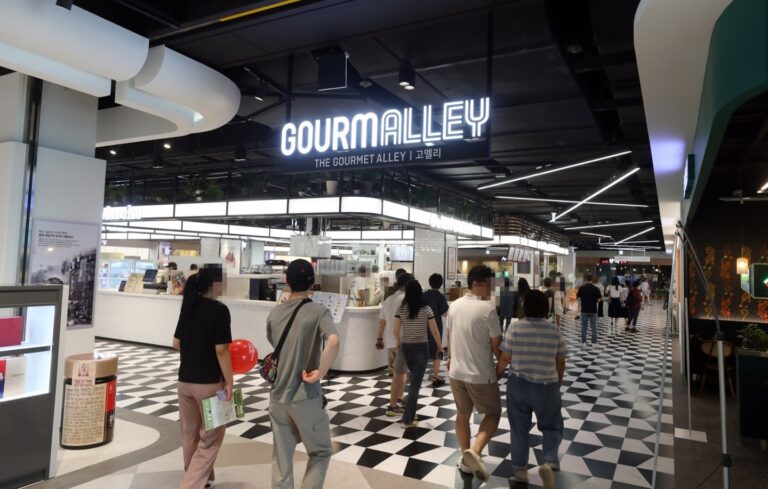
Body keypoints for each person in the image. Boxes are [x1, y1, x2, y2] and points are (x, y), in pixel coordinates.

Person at [266, 259, 340, 489]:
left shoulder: (275, 313)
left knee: (281, 459)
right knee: (320, 452)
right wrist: (320, 372)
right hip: (305, 395)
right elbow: (333, 341)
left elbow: (274, 342)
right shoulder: (319, 311)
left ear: (287, 281)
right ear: (312, 283)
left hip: (278, 396)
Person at [496, 290, 567, 489]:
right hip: (547, 386)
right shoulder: (554, 330)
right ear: (546, 308)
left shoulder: (515, 327)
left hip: (518, 385)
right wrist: (558, 381)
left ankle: (520, 470)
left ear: (524, 307)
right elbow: (561, 360)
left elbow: (505, 357)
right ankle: (550, 462)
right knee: (552, 426)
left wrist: (498, 371)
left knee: (519, 429)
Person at [172, 267, 233, 489]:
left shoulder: (188, 307)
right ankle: (190, 484)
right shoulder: (220, 310)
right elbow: (222, 350)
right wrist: (229, 381)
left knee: (189, 435)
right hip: (209, 385)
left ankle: (202, 479)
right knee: (211, 438)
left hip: (185, 382)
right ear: (215, 285)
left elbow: (176, 343)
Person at [446, 265, 502, 482]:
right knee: (493, 413)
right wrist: (501, 366)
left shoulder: (454, 306)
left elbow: (449, 336)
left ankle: (465, 458)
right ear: (476, 284)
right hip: (480, 373)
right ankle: (475, 452)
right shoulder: (487, 309)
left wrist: (450, 358)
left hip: (456, 372)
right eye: (489, 285)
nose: (491, 289)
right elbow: (496, 345)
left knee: (462, 414)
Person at [394, 280, 443, 428]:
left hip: (406, 347)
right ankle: (407, 420)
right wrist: (440, 346)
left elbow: (395, 331)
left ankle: (411, 412)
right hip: (421, 347)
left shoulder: (401, 309)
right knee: (415, 385)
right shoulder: (426, 309)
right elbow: (434, 330)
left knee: (414, 380)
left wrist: (399, 342)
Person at [377, 272, 409, 381]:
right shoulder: (407, 299)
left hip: (390, 340)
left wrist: (379, 339)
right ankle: (399, 390)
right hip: (403, 340)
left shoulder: (388, 300)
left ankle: (392, 390)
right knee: (402, 373)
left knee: (392, 372)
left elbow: (382, 322)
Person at [423, 273, 449, 387]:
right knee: (437, 349)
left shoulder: (423, 295)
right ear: (441, 284)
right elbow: (444, 313)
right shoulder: (440, 297)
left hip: (423, 324)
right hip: (436, 325)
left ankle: (418, 374)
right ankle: (435, 376)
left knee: (423, 350)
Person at [576, 274, 601, 347]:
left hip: (584, 309)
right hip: (593, 310)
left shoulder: (582, 288)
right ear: (592, 280)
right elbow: (599, 299)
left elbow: (578, 298)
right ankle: (594, 343)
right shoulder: (596, 288)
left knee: (584, 326)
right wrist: (595, 300)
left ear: (586, 280)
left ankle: (583, 342)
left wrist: (582, 301)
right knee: (594, 327)